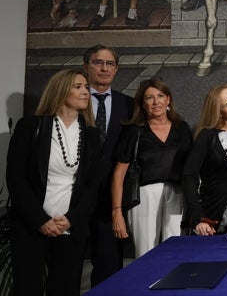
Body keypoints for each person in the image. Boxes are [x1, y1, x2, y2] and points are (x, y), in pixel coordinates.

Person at [7, 69, 101, 296]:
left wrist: (71, 219)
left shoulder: (91, 133)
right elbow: (16, 179)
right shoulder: (30, 127)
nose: (85, 92)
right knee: (27, 288)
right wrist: (41, 220)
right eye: (77, 87)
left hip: (70, 226)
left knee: (65, 289)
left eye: (86, 87)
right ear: (60, 90)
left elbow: (92, 183)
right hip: (32, 225)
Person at [111, 78, 192, 258]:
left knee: (176, 252)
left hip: (177, 194)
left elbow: (191, 169)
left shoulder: (182, 128)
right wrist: (117, 212)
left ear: (168, 100)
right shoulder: (134, 130)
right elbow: (119, 174)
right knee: (146, 253)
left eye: (160, 96)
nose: (156, 102)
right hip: (144, 196)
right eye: (149, 98)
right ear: (142, 103)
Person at [82, 44, 134, 286]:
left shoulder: (129, 105)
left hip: (111, 197)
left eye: (109, 63)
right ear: (86, 66)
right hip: (74, 196)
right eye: (97, 62)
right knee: (68, 264)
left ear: (116, 69)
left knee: (109, 265)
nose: (104, 68)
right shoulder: (72, 101)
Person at [182, 84, 227, 236]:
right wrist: (199, 217)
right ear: (219, 112)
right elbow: (188, 176)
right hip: (210, 219)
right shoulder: (207, 136)